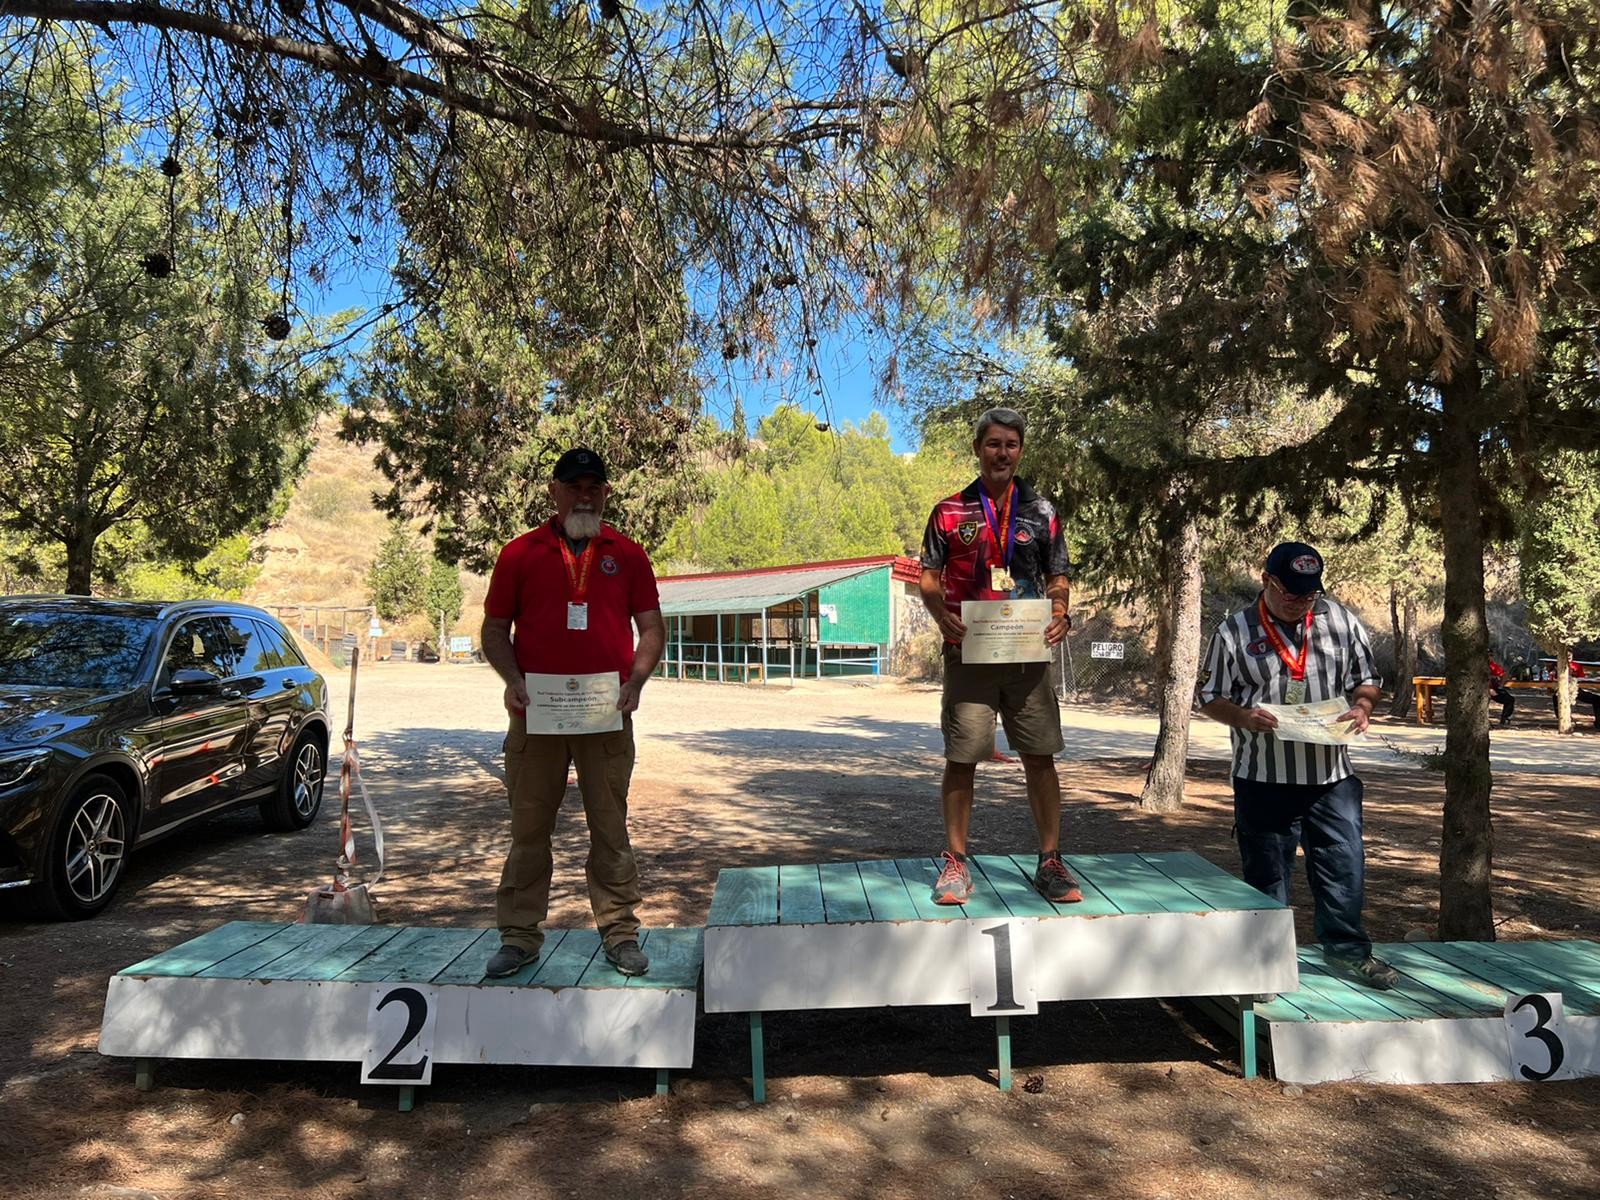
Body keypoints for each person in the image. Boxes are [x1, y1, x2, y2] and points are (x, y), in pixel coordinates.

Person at [479, 447, 667, 978]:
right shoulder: (519, 554)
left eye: (594, 487)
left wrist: (635, 681)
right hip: (535, 717)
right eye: (574, 486)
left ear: (606, 493)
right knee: (529, 829)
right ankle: (518, 937)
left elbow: (652, 629)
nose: (584, 495)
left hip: (605, 715)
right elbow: (494, 631)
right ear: (554, 492)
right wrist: (513, 682)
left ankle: (621, 932)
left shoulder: (629, 555)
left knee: (610, 828)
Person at [1198, 541, 1398, 990]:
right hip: (1262, 777)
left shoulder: (1341, 621)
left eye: (1308, 595)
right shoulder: (1233, 631)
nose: (1300, 602)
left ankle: (1348, 954)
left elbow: (1367, 679)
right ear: (1267, 581)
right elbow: (1210, 697)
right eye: (1290, 594)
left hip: (1332, 778)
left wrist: (1363, 708)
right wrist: (1245, 718)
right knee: (1267, 875)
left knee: (1344, 867)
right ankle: (1267, 966)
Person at [918, 407, 1078, 906]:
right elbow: (928, 576)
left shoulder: (1043, 512)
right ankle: (956, 863)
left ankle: (1049, 860)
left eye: (1011, 444)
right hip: (968, 651)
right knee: (962, 758)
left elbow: (1058, 575)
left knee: (1039, 756)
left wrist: (1061, 610)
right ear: (978, 448)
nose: (1001, 453)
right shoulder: (949, 511)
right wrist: (938, 611)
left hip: (1027, 654)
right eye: (993, 443)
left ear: (1021, 450)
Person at [1489, 658, 1515, 728]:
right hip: (1486, 689)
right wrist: (1489, 689)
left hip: (1494, 689)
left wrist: (1501, 685)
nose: (1490, 657)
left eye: (1491, 655)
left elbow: (1504, 674)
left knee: (1510, 699)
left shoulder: (1492, 665)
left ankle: (1505, 719)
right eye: (1489, 655)